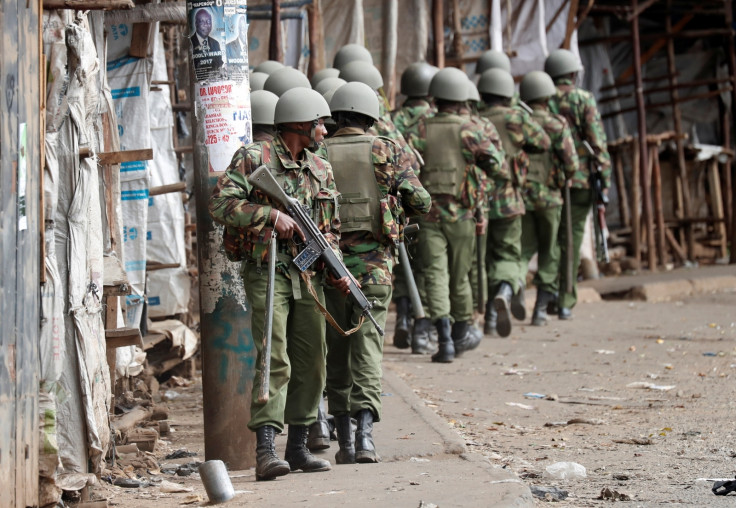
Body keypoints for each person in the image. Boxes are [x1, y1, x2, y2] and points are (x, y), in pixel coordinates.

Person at [208, 88, 350, 481]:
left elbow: (330, 226)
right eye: (319, 123)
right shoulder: (255, 158)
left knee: (313, 359)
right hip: (268, 268)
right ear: (299, 123)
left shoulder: (320, 168)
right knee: (275, 355)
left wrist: (337, 268)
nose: (323, 129)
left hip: (309, 275)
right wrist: (269, 216)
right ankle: (266, 451)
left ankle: (298, 447)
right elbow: (220, 204)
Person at [323, 81, 431, 463]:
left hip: (327, 268)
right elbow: (421, 200)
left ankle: (344, 442)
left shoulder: (318, 150)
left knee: (334, 350)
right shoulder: (384, 147)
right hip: (375, 271)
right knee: (367, 348)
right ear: (370, 114)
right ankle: (366, 435)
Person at [412, 67, 503, 363]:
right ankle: (463, 328)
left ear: (435, 97)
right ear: (462, 97)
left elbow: (407, 164)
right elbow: (496, 163)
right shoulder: (469, 129)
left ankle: (445, 340)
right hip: (463, 212)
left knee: (434, 274)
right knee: (460, 275)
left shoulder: (421, 127)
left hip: (428, 215)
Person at [477, 68, 550, 338]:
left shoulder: (476, 119)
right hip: (508, 199)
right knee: (507, 253)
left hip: (480, 201)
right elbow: (542, 142)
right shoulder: (517, 117)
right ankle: (506, 292)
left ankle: (488, 320)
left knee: (483, 259)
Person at [545, 49, 611, 320]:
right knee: (570, 239)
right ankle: (564, 300)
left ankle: (545, 295)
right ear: (573, 74)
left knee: (548, 238)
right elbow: (597, 143)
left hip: (546, 181)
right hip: (580, 181)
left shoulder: (541, 99)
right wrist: (604, 180)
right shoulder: (583, 99)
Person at [518, 71, 579, 326]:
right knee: (550, 251)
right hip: (550, 197)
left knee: (521, 250)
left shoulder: (520, 121)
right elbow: (571, 163)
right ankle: (541, 310)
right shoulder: (556, 124)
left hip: (522, 196)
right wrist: (564, 175)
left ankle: (515, 289)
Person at [390, 61, 439, 355]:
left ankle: (403, 321)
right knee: (425, 267)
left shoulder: (393, 120)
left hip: (396, 204)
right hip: (428, 203)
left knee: (401, 263)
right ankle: (422, 330)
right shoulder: (433, 120)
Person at [191, 9, 223, 81]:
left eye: (208, 22)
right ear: (196, 24)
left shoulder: (215, 44)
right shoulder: (191, 42)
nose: (206, 25)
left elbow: (220, 65)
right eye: (202, 22)